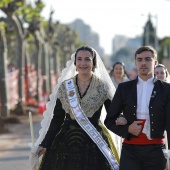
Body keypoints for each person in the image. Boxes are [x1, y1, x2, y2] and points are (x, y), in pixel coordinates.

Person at [30, 46, 120, 170]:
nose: (83, 63)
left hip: (93, 143)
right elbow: (57, 118)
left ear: (93, 62)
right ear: (75, 62)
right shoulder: (65, 86)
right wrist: (45, 143)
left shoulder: (102, 87)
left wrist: (125, 123)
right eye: (79, 59)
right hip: (66, 142)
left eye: (87, 59)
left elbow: (112, 115)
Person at [104, 46, 170, 170]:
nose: (143, 63)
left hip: (156, 151)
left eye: (147, 59)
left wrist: (169, 155)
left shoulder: (166, 90)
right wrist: (127, 128)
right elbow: (109, 120)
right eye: (139, 60)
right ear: (135, 63)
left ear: (155, 62)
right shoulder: (124, 88)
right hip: (130, 151)